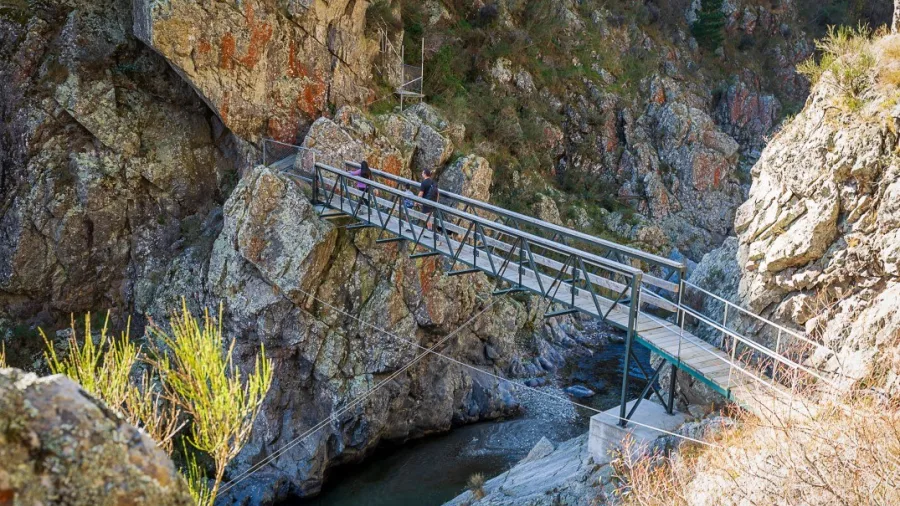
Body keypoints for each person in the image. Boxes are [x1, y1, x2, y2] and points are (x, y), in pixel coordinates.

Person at [418, 169, 439, 234]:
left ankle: (430, 231)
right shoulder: (433, 182)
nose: (422, 174)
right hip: (433, 202)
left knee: (427, 217)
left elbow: (421, 193)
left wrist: (416, 201)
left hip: (427, 202)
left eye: (422, 173)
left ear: (425, 174)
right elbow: (438, 193)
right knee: (430, 216)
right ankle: (431, 230)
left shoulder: (424, 183)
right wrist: (436, 202)